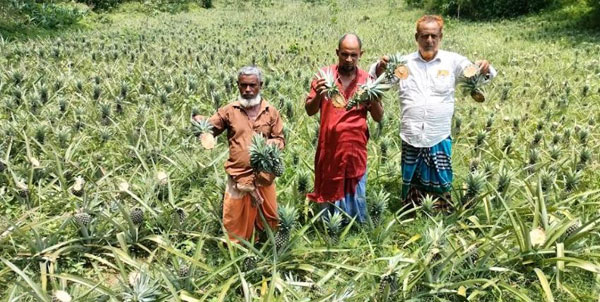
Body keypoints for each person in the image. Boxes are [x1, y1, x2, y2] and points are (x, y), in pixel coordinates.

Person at [370, 15, 497, 211]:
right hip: (412, 133)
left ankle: (442, 211)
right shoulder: (404, 63)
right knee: (411, 178)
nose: (429, 40)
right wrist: (380, 66)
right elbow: (378, 79)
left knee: (441, 178)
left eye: (433, 36)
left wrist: (484, 68)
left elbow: (478, 74)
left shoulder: (453, 61)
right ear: (416, 37)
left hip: (438, 134)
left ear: (440, 37)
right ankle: (410, 212)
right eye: (424, 36)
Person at [193, 66, 284, 242]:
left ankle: (265, 246)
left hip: (264, 176)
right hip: (238, 176)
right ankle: (236, 250)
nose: (248, 90)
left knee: (269, 215)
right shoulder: (229, 110)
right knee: (234, 218)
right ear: (237, 85)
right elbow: (210, 128)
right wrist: (200, 124)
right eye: (243, 85)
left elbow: (280, 139)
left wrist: (271, 145)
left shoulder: (271, 112)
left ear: (260, 85)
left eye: (252, 85)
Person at [305, 33, 384, 223]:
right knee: (330, 183)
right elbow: (309, 110)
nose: (349, 59)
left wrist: (373, 98)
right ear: (337, 53)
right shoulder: (324, 76)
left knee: (355, 184)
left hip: (355, 148)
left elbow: (378, 117)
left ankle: (355, 224)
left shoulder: (368, 80)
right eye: (344, 54)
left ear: (361, 54)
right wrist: (318, 95)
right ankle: (329, 223)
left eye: (354, 55)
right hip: (329, 147)